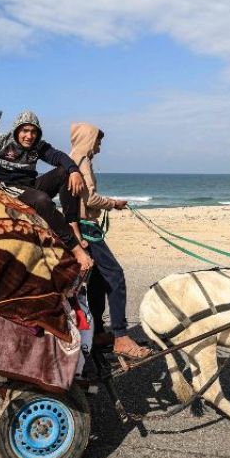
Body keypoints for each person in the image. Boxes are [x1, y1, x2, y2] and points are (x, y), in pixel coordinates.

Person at [0, 111, 94, 273]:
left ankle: (72, 224)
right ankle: (76, 249)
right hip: (8, 188)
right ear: (17, 130)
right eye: (25, 131)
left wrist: (74, 170)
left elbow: (58, 156)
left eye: (33, 131)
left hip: (30, 185)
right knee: (42, 200)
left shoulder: (38, 146)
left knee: (65, 173)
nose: (29, 136)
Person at [70, 123, 151, 359]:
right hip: (86, 228)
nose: (99, 147)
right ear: (88, 139)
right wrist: (113, 204)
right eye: (97, 141)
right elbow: (91, 199)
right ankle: (121, 336)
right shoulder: (81, 161)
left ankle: (96, 333)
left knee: (96, 281)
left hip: (84, 225)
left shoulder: (74, 158)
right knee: (116, 276)